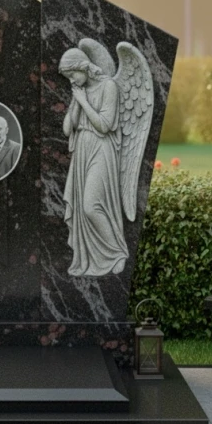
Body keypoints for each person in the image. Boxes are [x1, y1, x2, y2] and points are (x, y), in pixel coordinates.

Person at [59, 48, 129, 277]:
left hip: (101, 150)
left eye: (72, 74)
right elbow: (67, 129)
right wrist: (76, 101)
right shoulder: (79, 91)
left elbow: (104, 125)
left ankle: (117, 253)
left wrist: (84, 101)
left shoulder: (108, 86)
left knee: (91, 206)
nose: (71, 80)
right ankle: (91, 258)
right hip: (82, 151)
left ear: (83, 67)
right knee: (82, 207)